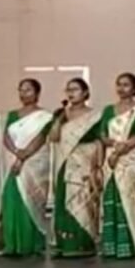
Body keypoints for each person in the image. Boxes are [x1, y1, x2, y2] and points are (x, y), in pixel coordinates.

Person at [0, 79, 54, 257]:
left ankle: (32, 245)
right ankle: (12, 245)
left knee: (32, 200)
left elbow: (40, 138)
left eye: (28, 90)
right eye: (21, 90)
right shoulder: (13, 115)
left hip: (34, 164)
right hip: (13, 161)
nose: (24, 94)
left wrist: (24, 156)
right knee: (11, 199)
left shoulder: (45, 116)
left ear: (37, 93)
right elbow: (6, 137)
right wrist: (17, 153)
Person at [49, 78, 102, 258]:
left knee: (82, 200)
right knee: (63, 200)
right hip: (64, 161)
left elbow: (99, 141)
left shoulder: (95, 116)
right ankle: (63, 244)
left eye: (75, 89)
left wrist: (97, 166)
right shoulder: (61, 114)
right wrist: (60, 117)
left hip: (85, 163)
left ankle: (82, 244)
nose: (71, 93)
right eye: (68, 90)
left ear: (85, 92)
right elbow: (54, 137)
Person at [100, 73, 135, 259]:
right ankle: (111, 245)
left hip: (132, 158)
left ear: (134, 88)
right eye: (119, 84)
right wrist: (114, 146)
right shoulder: (108, 110)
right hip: (111, 158)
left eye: (126, 85)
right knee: (111, 195)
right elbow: (103, 135)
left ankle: (130, 244)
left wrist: (122, 149)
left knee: (130, 197)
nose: (121, 88)